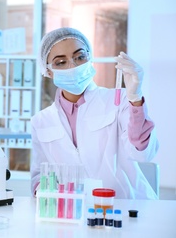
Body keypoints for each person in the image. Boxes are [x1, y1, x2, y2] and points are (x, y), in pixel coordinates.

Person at [30, 27, 159, 199]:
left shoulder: (118, 100)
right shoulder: (41, 121)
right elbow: (39, 176)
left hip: (129, 206)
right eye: (61, 62)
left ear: (90, 58)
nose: (73, 66)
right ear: (47, 71)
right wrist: (45, 193)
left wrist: (135, 98)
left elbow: (142, 153)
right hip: (76, 213)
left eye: (80, 57)